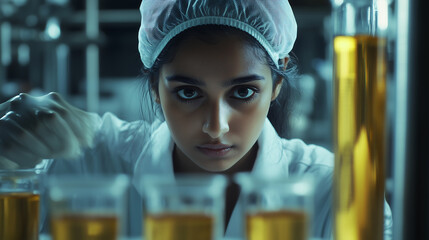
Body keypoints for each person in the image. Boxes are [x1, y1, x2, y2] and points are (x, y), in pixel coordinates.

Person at [0, 0, 392, 238]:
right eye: (188, 93)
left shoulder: (331, 190)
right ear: (155, 87)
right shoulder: (88, 161)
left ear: (276, 84)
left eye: (243, 92)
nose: (216, 125)